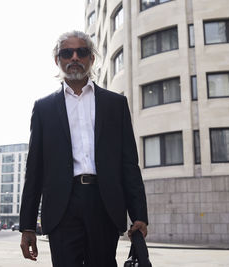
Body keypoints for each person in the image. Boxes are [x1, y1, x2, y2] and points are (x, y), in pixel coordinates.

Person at [19, 31, 148, 267]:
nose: (75, 57)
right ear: (58, 60)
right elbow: (34, 169)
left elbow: (129, 163)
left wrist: (139, 214)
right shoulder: (44, 108)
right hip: (62, 207)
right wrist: (27, 225)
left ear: (92, 58)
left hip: (104, 202)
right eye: (67, 53)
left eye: (82, 52)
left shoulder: (115, 105)